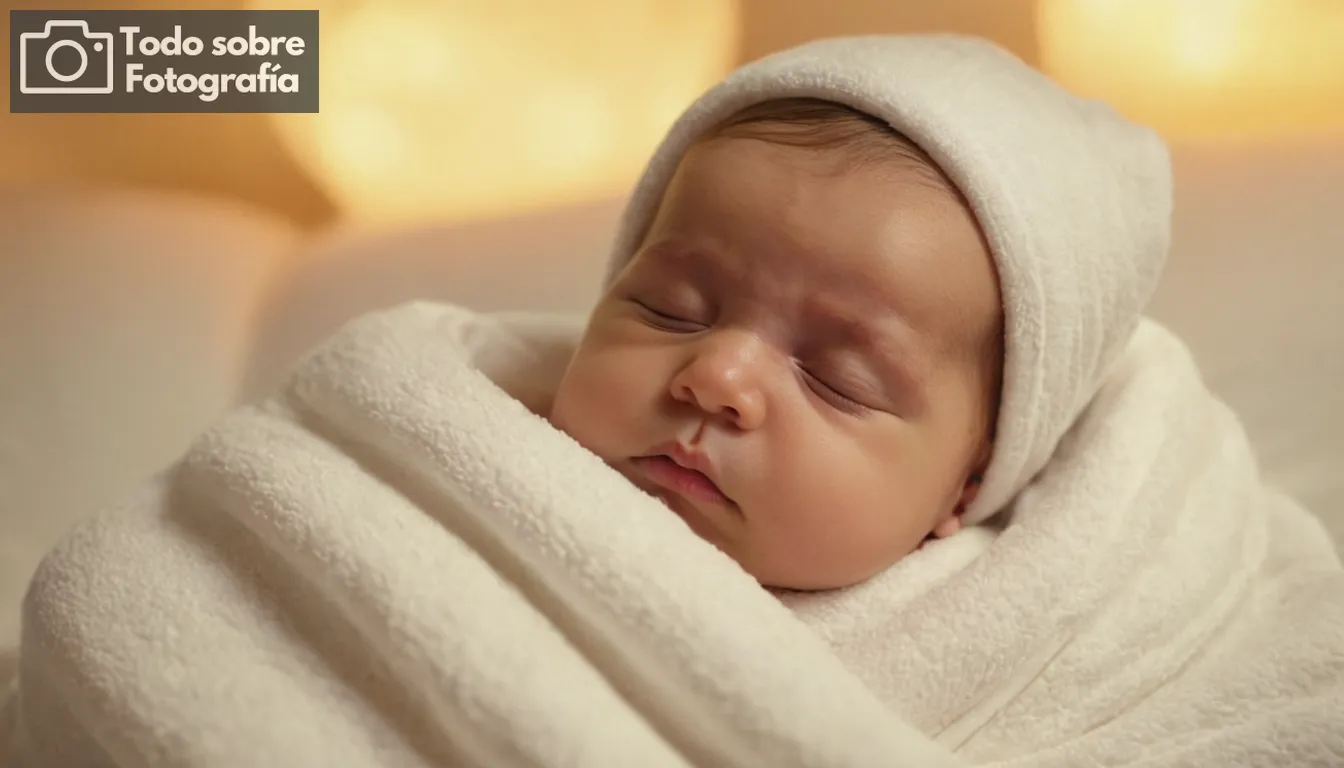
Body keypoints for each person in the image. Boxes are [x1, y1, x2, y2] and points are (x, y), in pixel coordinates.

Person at [549, 97, 1004, 591]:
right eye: (670, 310)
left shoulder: (988, 642)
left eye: (836, 382)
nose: (718, 377)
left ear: (964, 488)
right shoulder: (468, 418)